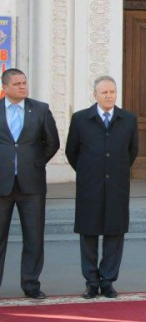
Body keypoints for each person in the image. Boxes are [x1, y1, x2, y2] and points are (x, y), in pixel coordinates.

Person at [65, 76, 138, 299]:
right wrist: (89, 172)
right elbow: (72, 152)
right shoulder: (80, 119)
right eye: (104, 92)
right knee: (89, 233)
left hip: (117, 186)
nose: (109, 96)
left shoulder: (128, 119)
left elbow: (131, 151)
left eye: (112, 92)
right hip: (90, 186)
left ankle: (108, 281)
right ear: (94, 94)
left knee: (114, 233)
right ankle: (91, 281)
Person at [0, 68, 60, 299]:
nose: (23, 86)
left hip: (31, 184)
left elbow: (51, 142)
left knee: (34, 236)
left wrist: (35, 163)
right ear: (5, 88)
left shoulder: (40, 109)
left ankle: (31, 284)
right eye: (17, 84)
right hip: (2, 184)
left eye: (24, 82)